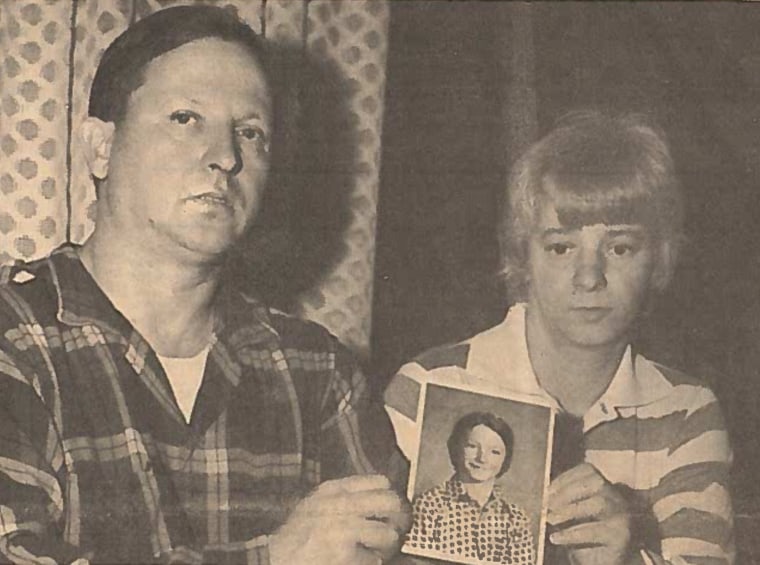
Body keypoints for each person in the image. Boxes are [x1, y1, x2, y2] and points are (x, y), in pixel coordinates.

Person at [0, 6, 409, 564]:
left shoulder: (320, 373)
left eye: (249, 131)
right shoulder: (14, 336)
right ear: (100, 148)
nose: (225, 157)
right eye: (186, 118)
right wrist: (270, 560)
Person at [386, 111, 734, 564]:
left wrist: (626, 557)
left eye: (620, 247)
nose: (589, 277)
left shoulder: (686, 413)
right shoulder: (430, 386)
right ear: (521, 257)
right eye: (560, 247)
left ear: (660, 260)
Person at [406, 412, 534, 565]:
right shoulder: (430, 504)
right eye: (472, 446)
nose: (482, 458)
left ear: (505, 459)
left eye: (495, 452)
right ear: (456, 449)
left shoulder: (516, 518)